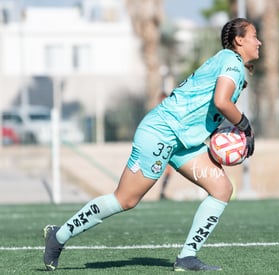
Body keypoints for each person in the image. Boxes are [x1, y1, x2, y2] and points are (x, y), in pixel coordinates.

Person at [43, 17, 261, 272]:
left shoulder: (229, 63)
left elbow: (211, 107)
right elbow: (222, 102)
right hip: (161, 132)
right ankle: (58, 236)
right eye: (254, 36)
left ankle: (187, 257)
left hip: (184, 143)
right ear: (239, 40)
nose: (259, 41)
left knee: (222, 189)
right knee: (125, 200)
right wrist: (246, 129)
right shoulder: (230, 60)